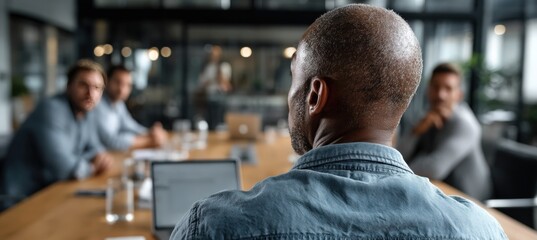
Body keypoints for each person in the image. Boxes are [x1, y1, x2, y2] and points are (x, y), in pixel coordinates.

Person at [171, 4, 506, 239]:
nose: (290, 98)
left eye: (293, 81)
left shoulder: (213, 226)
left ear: (315, 95)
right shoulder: (479, 231)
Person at [0, 60, 112, 210]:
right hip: (19, 201)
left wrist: (93, 159)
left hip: (49, 194)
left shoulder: (86, 112)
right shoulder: (51, 109)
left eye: (97, 88)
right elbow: (65, 169)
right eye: (83, 85)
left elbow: (95, 148)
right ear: (68, 86)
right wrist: (92, 166)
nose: (90, 94)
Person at [397, 63, 492, 201]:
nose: (440, 95)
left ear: (459, 95)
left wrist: (395, 172)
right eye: (435, 87)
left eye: (448, 89)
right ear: (428, 90)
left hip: (473, 204)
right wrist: (416, 132)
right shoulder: (428, 117)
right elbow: (400, 155)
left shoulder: (465, 124)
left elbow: (434, 169)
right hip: (445, 196)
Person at [94, 65, 167, 151]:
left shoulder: (118, 103)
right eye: (118, 82)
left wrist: (150, 132)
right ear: (106, 81)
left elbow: (130, 125)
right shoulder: (97, 104)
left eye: (127, 85)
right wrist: (148, 141)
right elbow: (110, 142)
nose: (122, 89)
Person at [194, 45, 232, 129]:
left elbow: (227, 85)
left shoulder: (224, 66)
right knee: (210, 119)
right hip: (209, 96)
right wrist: (210, 80)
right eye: (213, 54)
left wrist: (220, 76)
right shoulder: (208, 67)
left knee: (220, 120)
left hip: (220, 96)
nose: (215, 56)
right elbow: (201, 83)